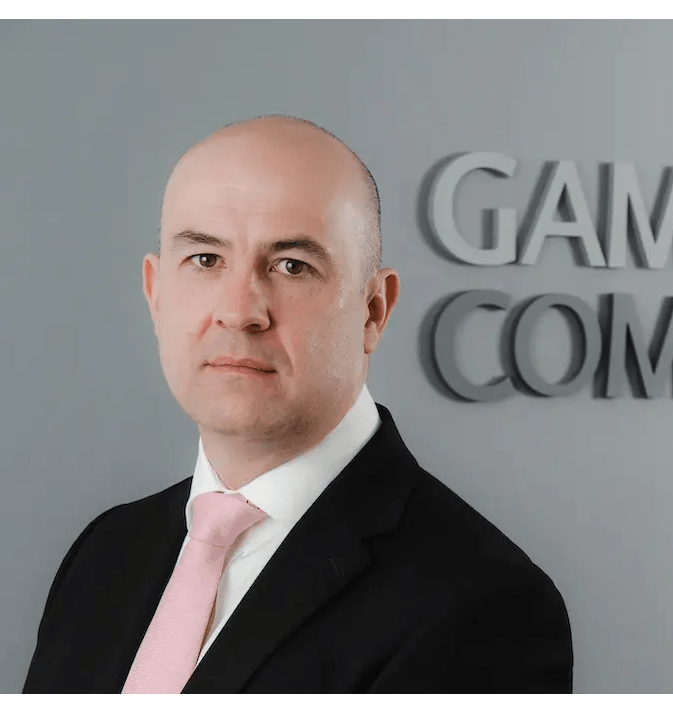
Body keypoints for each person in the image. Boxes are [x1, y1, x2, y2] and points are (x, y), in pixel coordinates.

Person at [21, 115, 573, 694]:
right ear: (155, 293)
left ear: (374, 310)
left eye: (292, 266)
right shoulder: (104, 552)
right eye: (205, 259)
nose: (239, 312)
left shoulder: (482, 603)